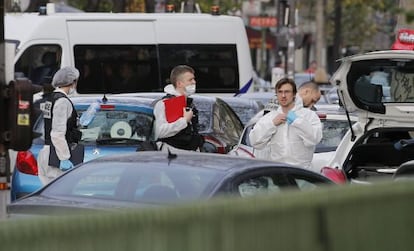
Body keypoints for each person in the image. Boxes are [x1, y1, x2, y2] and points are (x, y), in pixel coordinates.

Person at [249, 78, 322, 168]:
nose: (283, 95)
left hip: (302, 174)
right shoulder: (270, 117)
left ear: (294, 94)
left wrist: (297, 121)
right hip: (277, 173)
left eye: (287, 92)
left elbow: (314, 139)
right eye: (280, 92)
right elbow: (254, 141)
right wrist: (272, 124)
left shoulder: (309, 116)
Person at [37, 66, 83, 185]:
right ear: (72, 82)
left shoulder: (50, 98)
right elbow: (57, 133)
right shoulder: (62, 101)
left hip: (47, 152)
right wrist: (65, 158)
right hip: (56, 156)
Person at [153, 65, 204, 152]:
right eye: (190, 80)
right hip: (173, 154)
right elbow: (160, 132)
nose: (194, 82)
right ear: (179, 83)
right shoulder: (165, 104)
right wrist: (184, 121)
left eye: (194, 79)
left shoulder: (188, 102)